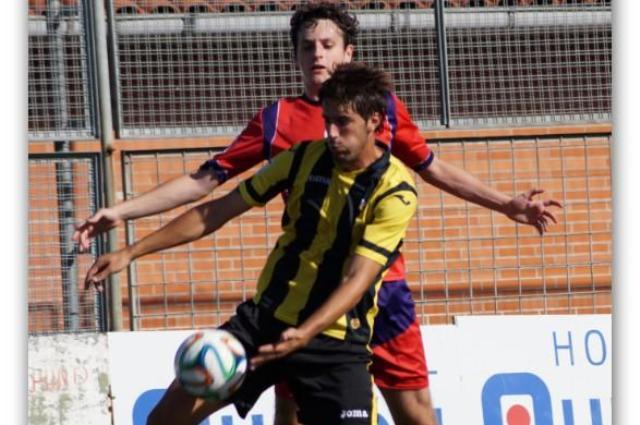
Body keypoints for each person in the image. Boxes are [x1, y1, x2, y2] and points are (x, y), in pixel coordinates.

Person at [74, 4, 561, 425]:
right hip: (289, 296)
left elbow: (432, 167)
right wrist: (122, 214)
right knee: (284, 411)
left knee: (413, 410)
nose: (317, 55)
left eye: (328, 44)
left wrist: (505, 204)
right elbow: (208, 186)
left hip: (376, 292)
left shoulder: (380, 111)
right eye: (307, 47)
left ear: (349, 53)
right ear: (295, 57)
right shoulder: (282, 124)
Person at [86, 63, 422, 425]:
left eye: (343, 123)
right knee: (163, 420)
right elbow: (215, 211)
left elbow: (357, 279)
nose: (332, 133)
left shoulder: (394, 191)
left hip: (334, 342)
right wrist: (130, 252)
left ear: (374, 120)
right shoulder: (301, 159)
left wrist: (305, 333)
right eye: (327, 121)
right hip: (264, 323)